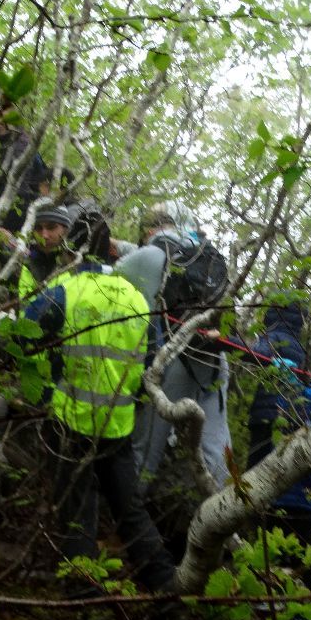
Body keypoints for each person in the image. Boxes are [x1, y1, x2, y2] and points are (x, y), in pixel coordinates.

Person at [22, 210, 177, 594]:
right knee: (129, 511)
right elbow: (152, 362)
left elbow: (24, 332)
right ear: (109, 250)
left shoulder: (65, 291)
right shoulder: (137, 298)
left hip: (69, 420)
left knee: (76, 509)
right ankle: (165, 587)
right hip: (118, 425)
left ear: (71, 249)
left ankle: (82, 591)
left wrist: (46, 382)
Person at [126, 202, 232, 491]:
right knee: (216, 446)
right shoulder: (207, 254)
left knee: (146, 446)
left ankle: (128, 524)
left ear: (158, 226)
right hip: (214, 359)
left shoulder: (159, 250)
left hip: (176, 360)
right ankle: (224, 515)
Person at [244, 300, 311, 545]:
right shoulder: (297, 345)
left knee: (256, 483)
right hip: (284, 419)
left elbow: (254, 352)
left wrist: (225, 342)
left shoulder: (278, 339)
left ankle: (256, 543)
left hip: (269, 419)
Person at [0, 118, 52, 233]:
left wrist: (8, 227)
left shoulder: (20, 144)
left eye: (1, 119)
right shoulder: (11, 142)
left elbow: (19, 189)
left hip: (25, 212)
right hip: (28, 207)